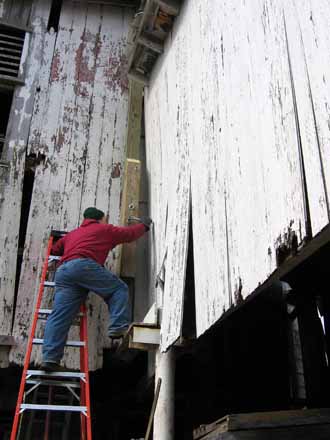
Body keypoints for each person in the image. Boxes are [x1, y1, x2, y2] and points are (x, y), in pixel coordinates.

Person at [41, 207, 152, 372]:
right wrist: (144, 225)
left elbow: (55, 249)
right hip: (83, 267)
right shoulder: (104, 229)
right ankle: (118, 327)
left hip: (63, 272)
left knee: (59, 316)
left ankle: (49, 358)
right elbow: (129, 235)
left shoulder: (72, 234)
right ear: (100, 219)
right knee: (118, 289)